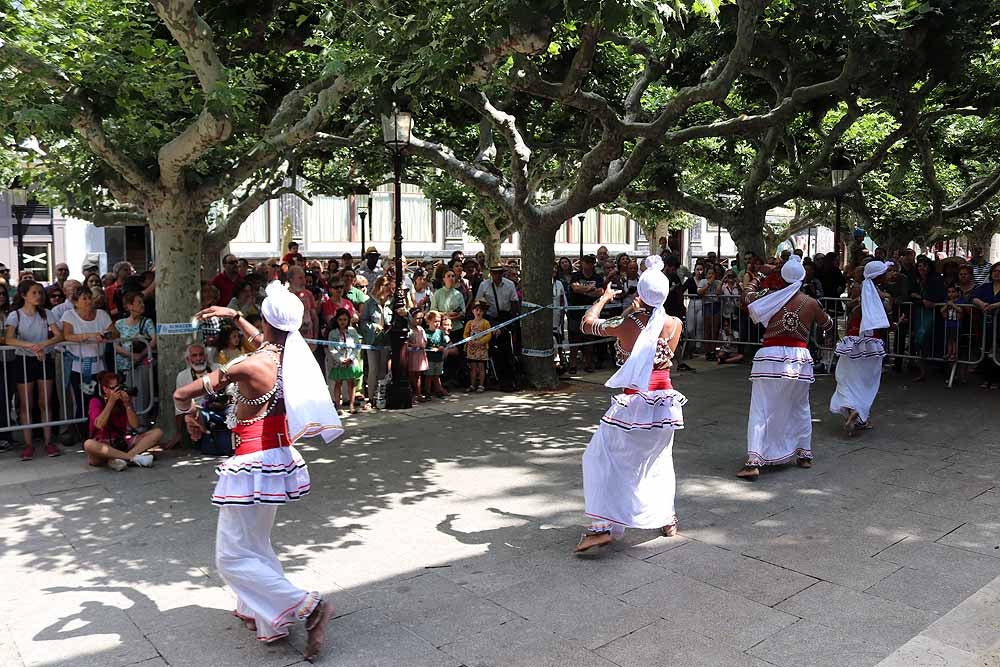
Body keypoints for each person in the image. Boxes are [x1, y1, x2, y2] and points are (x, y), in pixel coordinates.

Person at [174, 280, 341, 659]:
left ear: (265, 320)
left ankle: (307, 606)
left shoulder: (248, 364)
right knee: (256, 544)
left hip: (250, 463)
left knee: (231, 557)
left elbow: (181, 393)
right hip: (276, 459)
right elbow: (265, 339)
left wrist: (187, 416)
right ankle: (266, 616)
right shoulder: (287, 355)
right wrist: (234, 315)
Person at [574, 256, 686, 552]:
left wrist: (604, 298)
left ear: (640, 294)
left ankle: (601, 527)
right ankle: (667, 519)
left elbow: (587, 325)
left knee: (599, 457)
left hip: (635, 403)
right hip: (664, 402)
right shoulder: (675, 325)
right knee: (658, 460)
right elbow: (650, 331)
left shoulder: (626, 323)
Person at [738, 256, 834, 480]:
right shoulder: (811, 302)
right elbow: (828, 324)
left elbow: (747, 296)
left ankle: (754, 461)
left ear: (782, 277)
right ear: (802, 277)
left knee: (762, 407)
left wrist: (760, 275)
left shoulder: (770, 297)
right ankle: (804, 454)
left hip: (770, 357)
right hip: (799, 359)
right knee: (799, 406)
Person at [829, 261, 892, 436]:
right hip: (871, 342)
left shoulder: (859, 290)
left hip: (853, 340)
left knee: (848, 379)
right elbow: (886, 316)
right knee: (866, 381)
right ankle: (860, 412)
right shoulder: (880, 295)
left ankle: (854, 413)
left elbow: (851, 310)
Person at [6, 281, 64, 460]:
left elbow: (59, 335)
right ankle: (28, 444)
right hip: (24, 360)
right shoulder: (15, 315)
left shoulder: (47, 313)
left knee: (45, 402)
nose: (38, 295)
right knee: (26, 404)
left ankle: (48, 442)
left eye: (40, 292)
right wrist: (32, 346)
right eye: (34, 292)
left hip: (43, 359)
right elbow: (9, 339)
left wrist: (42, 345)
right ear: (24, 295)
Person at [83, 371, 161, 471]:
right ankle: (132, 458)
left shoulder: (123, 400)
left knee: (157, 433)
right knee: (89, 444)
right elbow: (99, 425)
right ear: (105, 389)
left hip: (120, 441)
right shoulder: (96, 401)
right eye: (113, 388)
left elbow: (135, 425)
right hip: (102, 444)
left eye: (118, 387)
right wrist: (110, 402)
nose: (117, 391)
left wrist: (127, 404)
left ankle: (120, 458)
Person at [61, 285, 116, 421]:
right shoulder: (69, 315)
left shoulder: (102, 314)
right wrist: (88, 336)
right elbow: (67, 336)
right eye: (84, 298)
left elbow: (115, 332)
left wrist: (106, 335)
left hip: (99, 367)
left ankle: (99, 432)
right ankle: (84, 434)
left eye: (90, 298)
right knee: (81, 403)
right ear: (75, 302)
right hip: (77, 367)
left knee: (100, 400)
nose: (88, 301)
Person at [113, 291, 157, 416]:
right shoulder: (119, 323)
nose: (142, 305)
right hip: (122, 365)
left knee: (141, 394)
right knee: (124, 395)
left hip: (140, 364)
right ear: (129, 306)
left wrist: (141, 355)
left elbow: (154, 341)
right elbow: (115, 344)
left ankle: (141, 423)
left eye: (142, 302)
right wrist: (130, 355)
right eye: (139, 302)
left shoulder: (147, 322)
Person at [168, 343, 218, 448]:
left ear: (206, 356)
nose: (199, 358)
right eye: (194, 356)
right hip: (195, 412)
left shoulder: (217, 369)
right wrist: (178, 432)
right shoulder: (182, 376)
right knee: (192, 414)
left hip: (218, 408)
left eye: (201, 355)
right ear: (188, 359)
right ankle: (197, 429)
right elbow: (179, 407)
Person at [359, 277, 394, 409]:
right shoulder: (370, 303)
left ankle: (380, 396)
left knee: (383, 369)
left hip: (386, 340)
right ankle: (370, 397)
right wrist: (374, 327)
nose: (388, 288)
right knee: (373, 368)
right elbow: (363, 321)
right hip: (373, 340)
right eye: (385, 285)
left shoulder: (392, 302)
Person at [566, 256, 604, 373]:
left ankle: (588, 363)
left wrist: (585, 290)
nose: (589, 265)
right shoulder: (576, 276)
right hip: (575, 314)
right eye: (586, 262)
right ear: (582, 263)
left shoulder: (597, 277)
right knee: (574, 339)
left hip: (591, 313)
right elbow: (575, 288)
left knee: (589, 338)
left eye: (591, 263)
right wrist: (590, 289)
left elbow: (600, 292)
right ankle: (572, 364)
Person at [326, 308, 363, 415]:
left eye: (345, 319)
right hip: (339, 363)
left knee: (351, 383)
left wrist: (351, 358)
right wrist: (341, 359)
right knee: (338, 383)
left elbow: (357, 346)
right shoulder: (333, 333)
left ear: (348, 320)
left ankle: (351, 405)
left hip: (351, 362)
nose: (342, 322)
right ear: (336, 320)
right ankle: (338, 406)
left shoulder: (352, 331)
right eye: (340, 319)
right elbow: (332, 347)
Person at [971, 262, 1000, 390]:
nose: (996, 273)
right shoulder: (985, 287)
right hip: (987, 325)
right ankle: (987, 378)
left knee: (998, 352)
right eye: (995, 271)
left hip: (999, 325)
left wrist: (995, 305)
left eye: (999, 271)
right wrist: (981, 304)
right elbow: (973, 297)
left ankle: (997, 380)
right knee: (987, 351)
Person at [463, 300, 491, 392]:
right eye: (476, 310)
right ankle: (472, 384)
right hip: (471, 349)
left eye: (481, 310)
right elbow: (465, 334)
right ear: (473, 311)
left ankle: (481, 385)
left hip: (481, 348)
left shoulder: (486, 323)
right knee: (473, 367)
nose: (478, 312)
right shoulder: (469, 323)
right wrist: (469, 340)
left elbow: (488, 334)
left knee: (481, 367)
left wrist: (481, 341)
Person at [423, 311, 449, 397]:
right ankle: (427, 392)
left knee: (437, 375)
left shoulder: (440, 332)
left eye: (438, 321)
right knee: (429, 376)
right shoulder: (425, 333)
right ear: (429, 321)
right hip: (429, 359)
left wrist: (441, 346)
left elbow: (443, 343)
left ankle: (438, 390)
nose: (437, 323)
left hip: (439, 358)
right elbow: (424, 345)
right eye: (435, 321)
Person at [407, 310, 429, 401]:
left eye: (421, 318)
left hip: (420, 355)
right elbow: (406, 343)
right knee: (411, 374)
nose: (419, 320)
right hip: (411, 355)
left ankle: (419, 393)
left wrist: (424, 345)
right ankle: (413, 393)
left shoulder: (421, 329)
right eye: (417, 318)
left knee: (418, 375)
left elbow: (425, 340)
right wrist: (414, 345)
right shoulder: (408, 329)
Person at [940, 285, 964, 362]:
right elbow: (941, 310)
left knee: (955, 340)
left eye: (953, 292)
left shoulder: (960, 301)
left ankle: (954, 354)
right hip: (948, 324)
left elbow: (960, 310)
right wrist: (947, 304)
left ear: (957, 293)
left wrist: (953, 304)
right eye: (949, 292)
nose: (951, 294)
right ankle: (949, 353)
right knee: (949, 340)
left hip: (956, 324)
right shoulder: (946, 301)